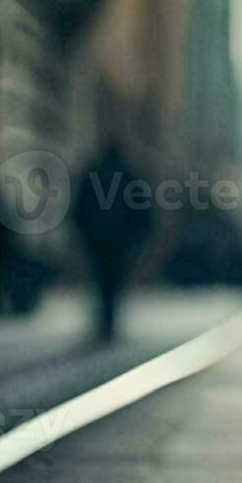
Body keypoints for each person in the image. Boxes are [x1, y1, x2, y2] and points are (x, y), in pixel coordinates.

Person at [74, 142, 154, 342]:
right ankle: (109, 322)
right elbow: (143, 213)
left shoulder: (93, 176)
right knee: (114, 281)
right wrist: (137, 238)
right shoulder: (128, 177)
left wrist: (83, 234)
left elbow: (78, 209)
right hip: (120, 241)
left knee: (100, 280)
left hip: (96, 239)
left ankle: (104, 322)